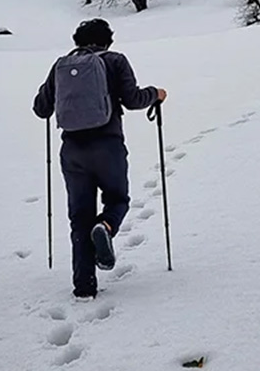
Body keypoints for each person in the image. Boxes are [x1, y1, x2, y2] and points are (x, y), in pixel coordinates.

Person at [33, 18, 166, 300]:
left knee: (79, 218)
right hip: (108, 146)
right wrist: (156, 94)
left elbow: (40, 108)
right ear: (107, 41)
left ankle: (83, 288)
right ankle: (105, 226)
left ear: (77, 41)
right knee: (117, 200)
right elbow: (132, 99)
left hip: (72, 151)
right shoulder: (115, 61)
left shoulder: (61, 66)